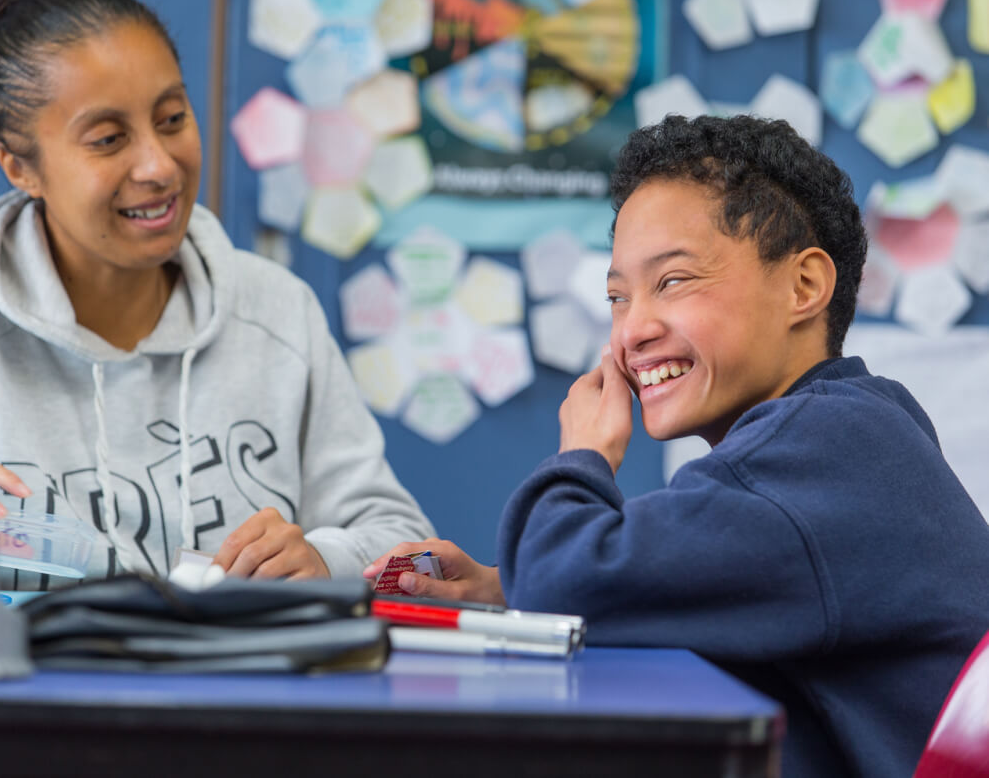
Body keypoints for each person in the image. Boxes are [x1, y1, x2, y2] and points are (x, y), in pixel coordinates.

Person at [365, 115, 989, 776]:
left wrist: (584, 454)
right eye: (616, 297)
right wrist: (499, 588)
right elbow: (616, 589)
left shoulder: (831, 447)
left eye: (673, 281)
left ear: (803, 287)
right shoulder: (848, 432)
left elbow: (561, 582)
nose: (632, 330)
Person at [0, 0, 433, 590]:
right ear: (21, 168)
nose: (159, 165)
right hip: (19, 698)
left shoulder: (277, 311)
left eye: (173, 118)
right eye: (107, 139)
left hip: (245, 693)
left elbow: (410, 546)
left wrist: (329, 557)